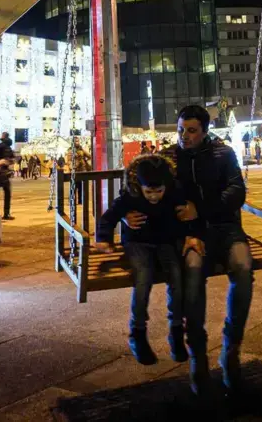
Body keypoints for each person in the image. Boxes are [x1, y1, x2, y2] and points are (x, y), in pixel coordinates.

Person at [127, 105, 249, 394]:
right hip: (191, 234)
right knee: (193, 271)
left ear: (205, 131)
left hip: (226, 229)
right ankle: (197, 354)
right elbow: (139, 181)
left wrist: (202, 210)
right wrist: (125, 213)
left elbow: (236, 191)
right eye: (181, 129)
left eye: (191, 130)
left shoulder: (223, 154)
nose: (184, 136)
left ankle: (231, 349)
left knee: (243, 269)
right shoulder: (169, 158)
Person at [94, 152, 190, 366]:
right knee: (143, 277)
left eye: (159, 191)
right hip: (137, 243)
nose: (154, 197)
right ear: (140, 187)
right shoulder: (131, 195)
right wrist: (103, 239)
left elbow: (184, 214)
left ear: (166, 185)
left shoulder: (174, 193)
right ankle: (137, 332)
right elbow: (108, 217)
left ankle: (176, 329)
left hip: (164, 242)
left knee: (176, 276)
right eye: (149, 192)